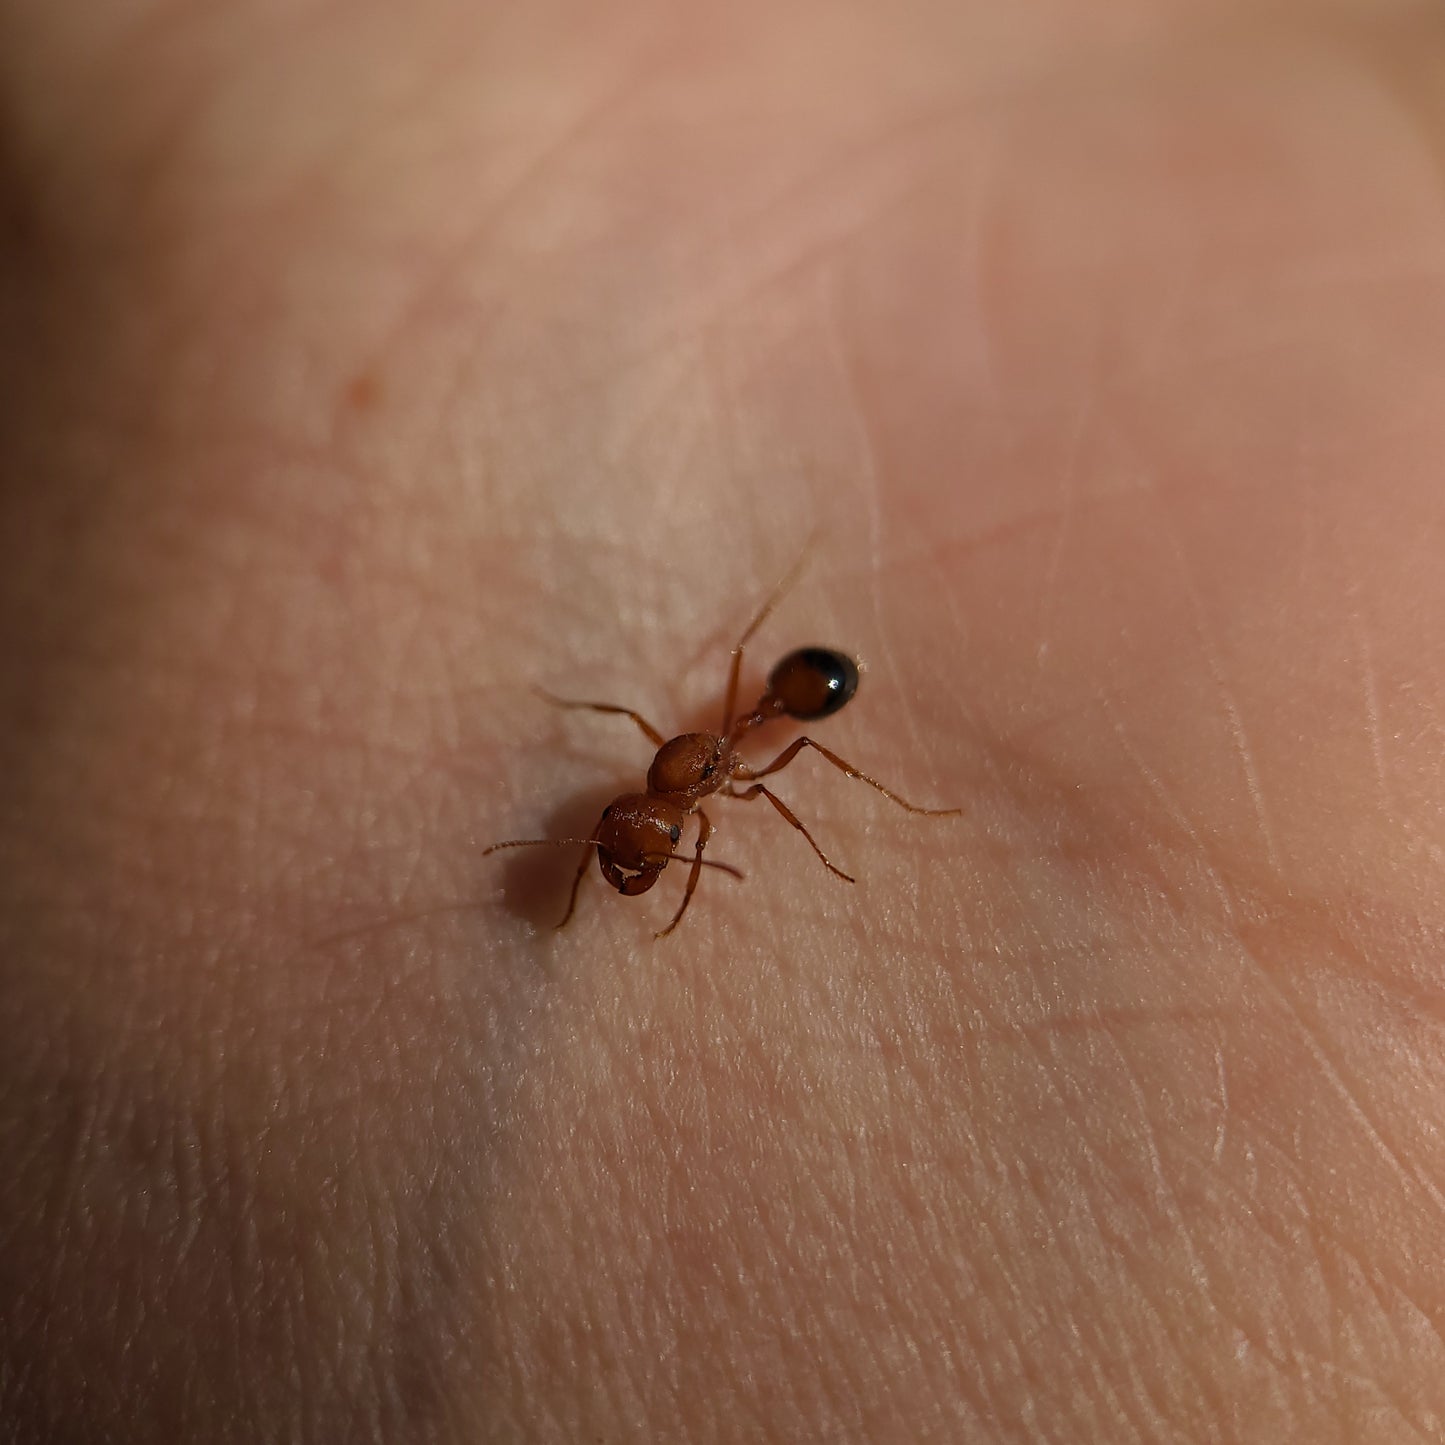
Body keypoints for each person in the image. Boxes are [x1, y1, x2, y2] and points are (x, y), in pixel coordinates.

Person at [2, 2, 1441, 1438]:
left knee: (787, 752)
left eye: (627, 848)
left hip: (792, 689)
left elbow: (702, 778)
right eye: (638, 849)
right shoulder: (665, 776)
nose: (635, 854)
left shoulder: (709, 760)